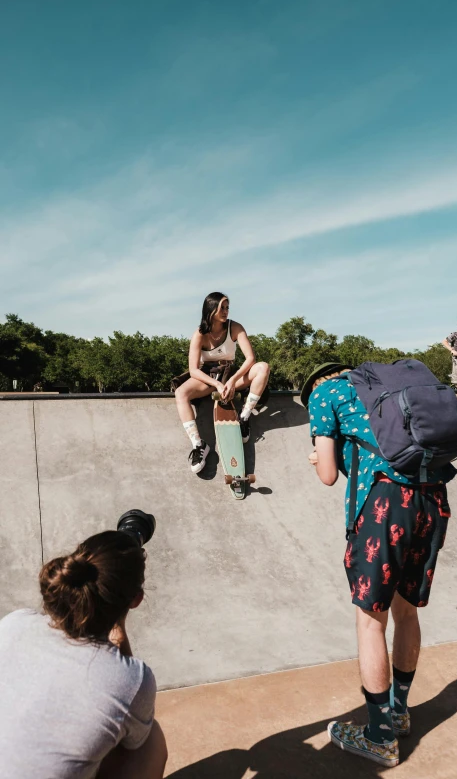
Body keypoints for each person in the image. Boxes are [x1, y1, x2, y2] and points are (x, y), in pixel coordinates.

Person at [301, 363, 457, 768]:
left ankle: (380, 736)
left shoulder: (325, 393)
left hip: (386, 505)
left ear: (315, 382)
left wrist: (317, 454)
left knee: (371, 621)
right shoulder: (389, 385)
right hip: (432, 498)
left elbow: (329, 475)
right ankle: (399, 711)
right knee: (406, 612)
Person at [0, 531, 168, 779]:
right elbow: (134, 741)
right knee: (150, 741)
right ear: (136, 600)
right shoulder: (132, 679)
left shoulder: (15, 622)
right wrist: (119, 638)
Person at [174, 291, 270, 473]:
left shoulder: (235, 327)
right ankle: (198, 445)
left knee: (263, 367)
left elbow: (250, 358)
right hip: (208, 376)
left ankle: (244, 417)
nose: (226, 311)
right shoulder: (199, 334)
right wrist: (217, 384)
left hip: (231, 373)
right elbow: (193, 369)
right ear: (211, 309)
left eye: (227, 307)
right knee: (181, 393)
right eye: (222, 308)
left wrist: (233, 380)